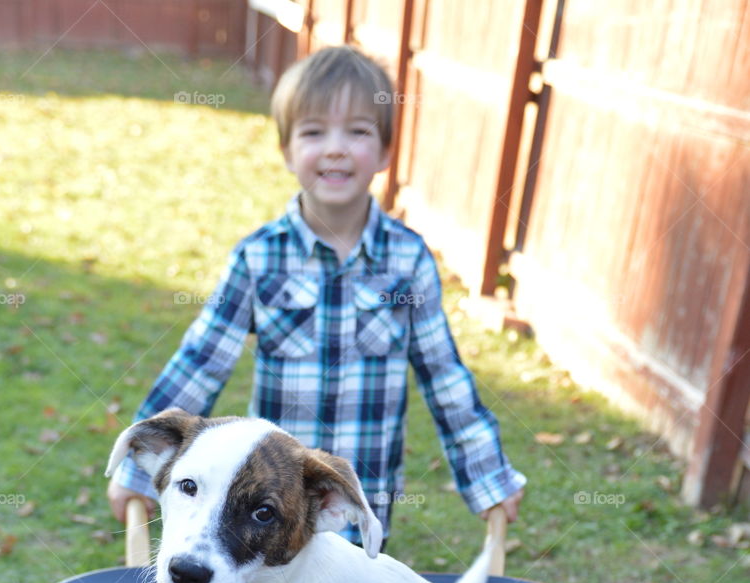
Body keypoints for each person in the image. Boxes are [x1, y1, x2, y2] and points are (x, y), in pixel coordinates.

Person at [107, 45, 525, 540]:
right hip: (266, 520)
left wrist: (488, 476)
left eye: (358, 131)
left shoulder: (408, 262)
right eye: (313, 132)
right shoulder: (259, 258)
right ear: (287, 152)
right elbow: (201, 362)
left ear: (386, 151)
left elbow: (445, 378)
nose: (335, 148)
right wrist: (139, 468)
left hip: (357, 513)